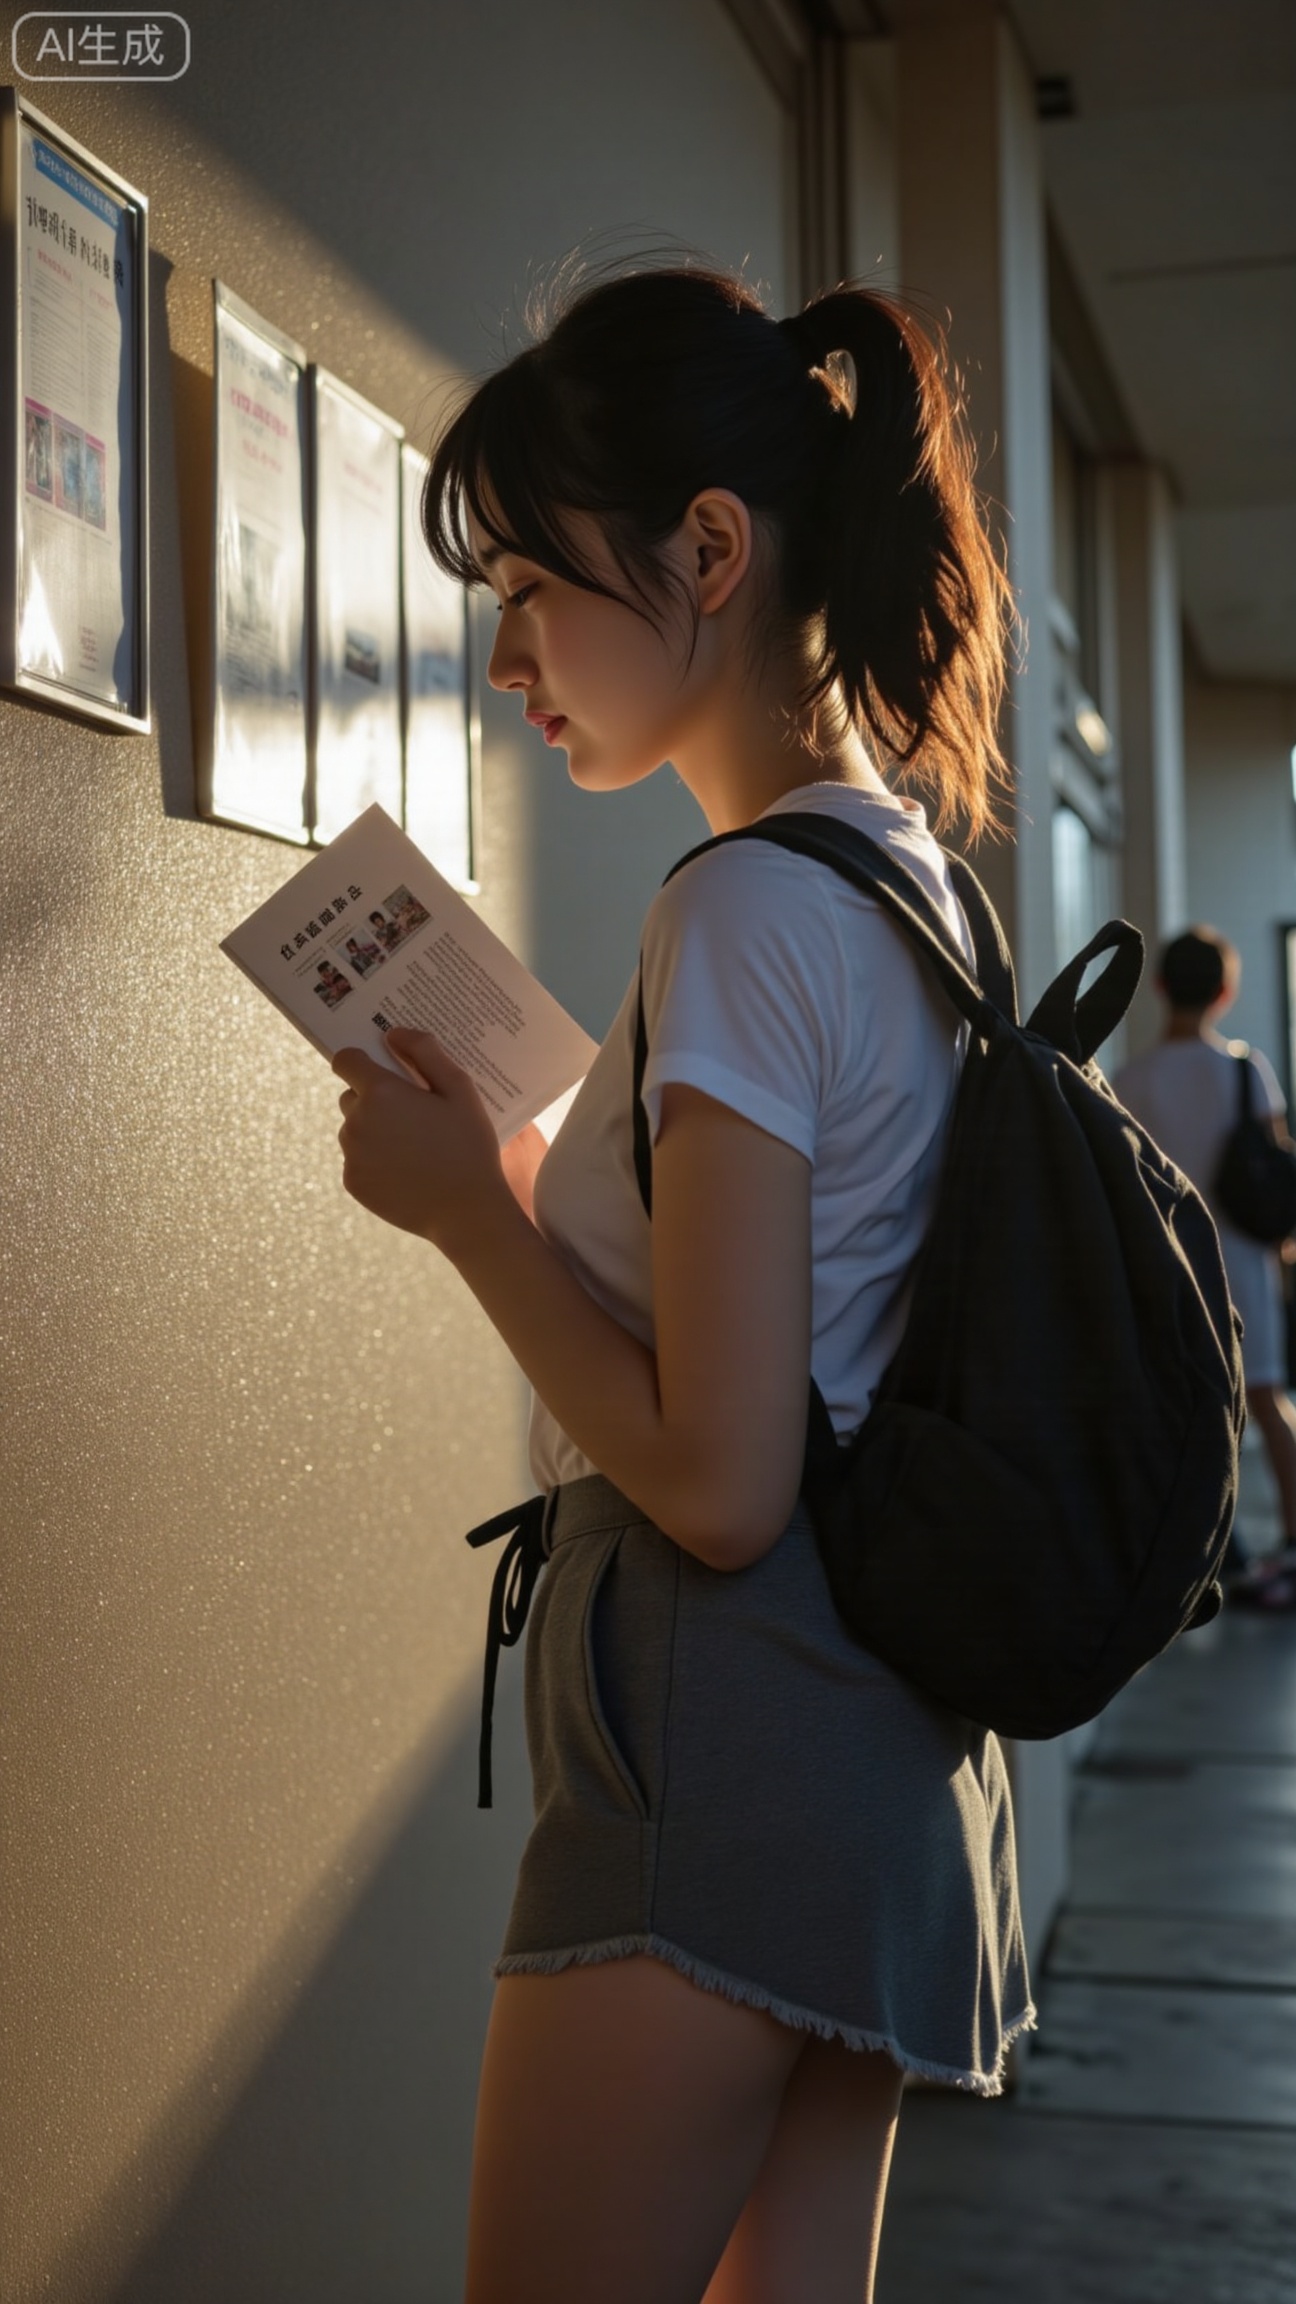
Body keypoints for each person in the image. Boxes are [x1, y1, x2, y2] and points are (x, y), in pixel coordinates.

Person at [331, 265, 1034, 2304]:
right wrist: (546, 1174)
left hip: (721, 1738)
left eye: (531, 591)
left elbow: (720, 1481)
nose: (503, 662)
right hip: (893, 1755)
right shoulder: (911, 885)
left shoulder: (732, 913)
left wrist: (470, 1211)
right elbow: (812, 1339)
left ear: (707, 550)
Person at [1115, 927, 1296, 1606]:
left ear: (1158, 987)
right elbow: (1273, 1165)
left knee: (1181, 1408)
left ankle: (1200, 1552)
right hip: (1244, 1265)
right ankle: (1292, 1542)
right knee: (1269, 1405)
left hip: (1173, 1269)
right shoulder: (1247, 1071)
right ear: (1226, 991)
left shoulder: (1130, 1081)